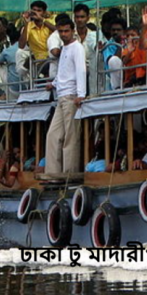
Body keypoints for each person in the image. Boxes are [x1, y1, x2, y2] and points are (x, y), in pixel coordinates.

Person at [44, 18, 87, 178]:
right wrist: (54, 83)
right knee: (53, 135)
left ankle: (69, 174)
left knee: (71, 136)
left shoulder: (77, 48)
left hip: (71, 96)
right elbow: (64, 70)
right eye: (61, 31)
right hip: (61, 96)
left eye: (66, 31)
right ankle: (53, 173)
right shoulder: (65, 48)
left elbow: (81, 71)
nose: (64, 34)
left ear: (72, 30)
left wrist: (81, 94)